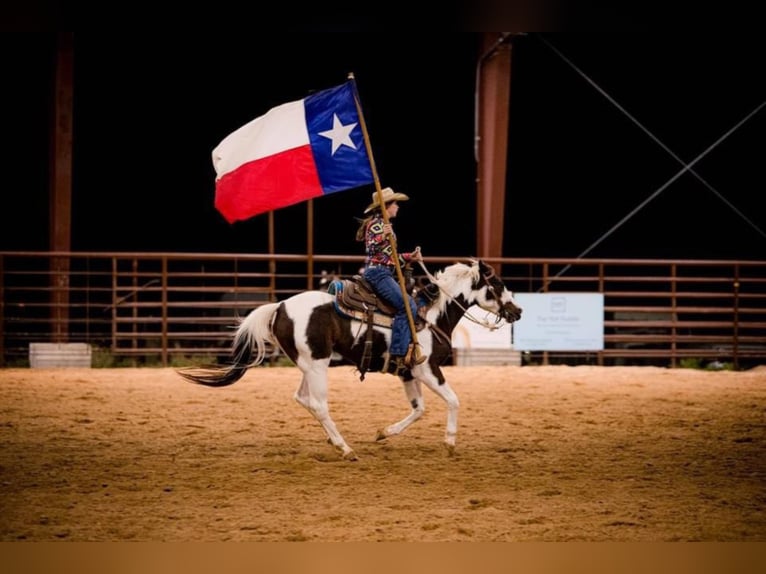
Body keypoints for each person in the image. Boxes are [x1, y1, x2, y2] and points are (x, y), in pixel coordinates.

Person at [355, 187, 427, 370]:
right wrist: (381, 236)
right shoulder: (377, 224)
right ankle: (398, 354)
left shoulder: (384, 225)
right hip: (378, 273)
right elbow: (371, 248)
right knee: (408, 305)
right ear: (386, 206)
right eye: (395, 203)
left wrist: (410, 256)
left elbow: (390, 257)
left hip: (383, 271)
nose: (397, 207)